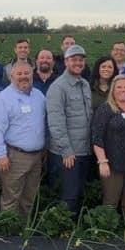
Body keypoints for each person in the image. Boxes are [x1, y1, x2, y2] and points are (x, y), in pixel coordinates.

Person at [0, 61, 47, 218]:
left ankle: (23, 232)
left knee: (29, 198)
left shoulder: (39, 96)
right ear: (11, 76)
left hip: (36, 157)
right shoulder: (3, 99)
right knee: (11, 198)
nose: (23, 77)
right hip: (14, 156)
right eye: (19, 74)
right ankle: (9, 235)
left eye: (27, 73)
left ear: (32, 74)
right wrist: (0, 155)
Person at [46, 44, 93, 213]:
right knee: (69, 196)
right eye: (73, 59)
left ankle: (74, 231)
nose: (78, 63)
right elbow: (56, 122)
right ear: (66, 61)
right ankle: (65, 233)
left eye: (81, 60)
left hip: (83, 151)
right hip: (68, 154)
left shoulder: (85, 84)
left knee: (79, 193)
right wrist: (66, 150)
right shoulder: (58, 87)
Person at [92, 75, 125, 221]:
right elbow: (97, 137)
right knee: (111, 201)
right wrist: (102, 161)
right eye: (119, 87)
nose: (123, 90)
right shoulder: (106, 109)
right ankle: (105, 233)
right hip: (113, 164)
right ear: (113, 90)